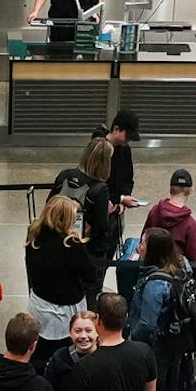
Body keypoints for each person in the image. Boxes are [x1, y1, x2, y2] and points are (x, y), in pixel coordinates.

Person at [128, 227, 189, 391]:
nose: (139, 247)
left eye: (143, 243)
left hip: (157, 347)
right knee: (172, 387)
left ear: (152, 250)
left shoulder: (155, 284)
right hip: (177, 339)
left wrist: (131, 341)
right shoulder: (182, 265)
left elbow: (147, 324)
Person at [24, 195, 98, 369]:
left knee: (40, 350)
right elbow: (91, 277)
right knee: (67, 356)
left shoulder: (34, 237)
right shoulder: (72, 245)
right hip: (67, 311)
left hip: (39, 304)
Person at [50, 136, 118, 276]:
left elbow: (49, 205)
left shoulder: (64, 176)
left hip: (58, 244)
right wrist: (108, 211)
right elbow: (101, 227)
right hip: (88, 252)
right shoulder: (100, 189)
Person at [143, 168, 196, 293]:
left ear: (170, 189)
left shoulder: (154, 212)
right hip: (176, 286)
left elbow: (143, 241)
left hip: (150, 278)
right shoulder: (190, 225)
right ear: (190, 191)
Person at [93, 111, 140, 267]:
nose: (127, 141)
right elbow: (94, 183)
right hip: (98, 213)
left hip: (116, 213)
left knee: (109, 255)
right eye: (126, 136)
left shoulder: (124, 150)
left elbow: (128, 178)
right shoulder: (99, 150)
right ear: (116, 129)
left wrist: (123, 199)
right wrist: (118, 198)